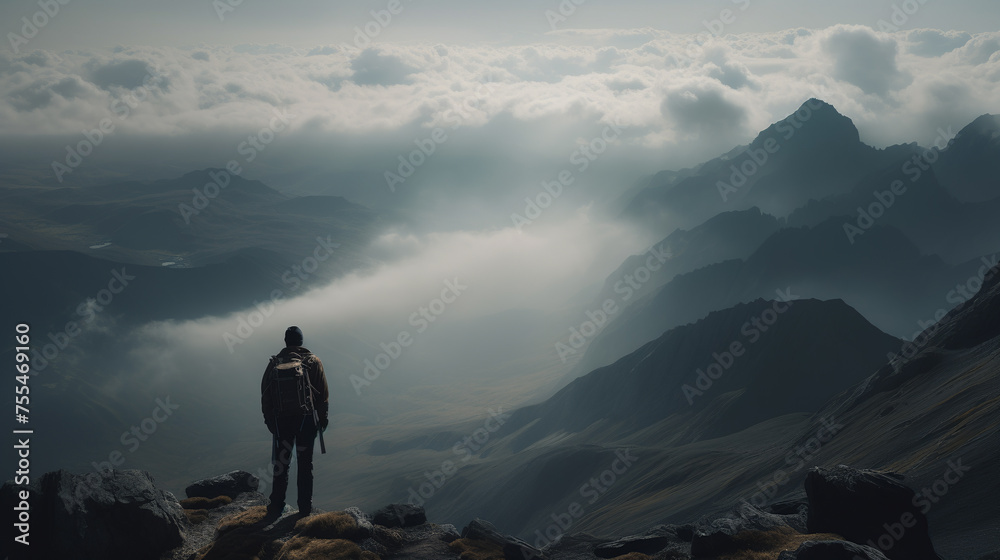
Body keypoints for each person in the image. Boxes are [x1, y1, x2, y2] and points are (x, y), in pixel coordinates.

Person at [261, 326, 329, 519]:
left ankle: (276, 505)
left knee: (281, 464)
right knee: (305, 464)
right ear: (301, 341)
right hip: (306, 421)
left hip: (281, 422)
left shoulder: (274, 363)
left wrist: (270, 422)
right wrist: (321, 422)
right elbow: (322, 396)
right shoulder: (313, 362)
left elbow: (265, 395)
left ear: (285, 341)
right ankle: (305, 509)